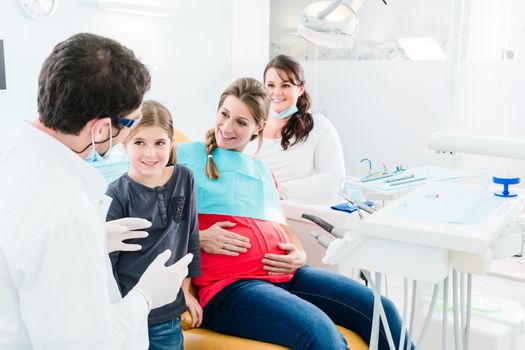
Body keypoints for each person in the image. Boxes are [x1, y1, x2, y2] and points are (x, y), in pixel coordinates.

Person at [176, 77, 412, 350]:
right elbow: (156, 218)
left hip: (289, 275)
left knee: (381, 309)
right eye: (224, 115)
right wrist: (200, 237)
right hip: (230, 287)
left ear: (258, 127)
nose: (227, 127)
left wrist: (299, 254)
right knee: (319, 331)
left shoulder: (262, 172)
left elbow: (282, 227)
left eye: (241, 122)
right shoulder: (186, 157)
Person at [0, 33, 192, 350]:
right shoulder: (64, 209)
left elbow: (22, 251)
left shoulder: (10, 152)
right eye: (131, 125)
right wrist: (145, 298)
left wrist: (92, 239)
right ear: (101, 128)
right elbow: (85, 343)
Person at [106, 100, 201, 350]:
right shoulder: (117, 193)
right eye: (139, 143)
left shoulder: (185, 178)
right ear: (125, 143)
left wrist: (185, 292)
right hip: (131, 312)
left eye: (159, 143)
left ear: (171, 143)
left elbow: (190, 237)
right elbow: (109, 263)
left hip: (168, 316)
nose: (150, 153)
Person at [244, 54, 345, 204]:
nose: (276, 93)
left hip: (295, 215)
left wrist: (279, 192)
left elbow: (336, 179)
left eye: (285, 85)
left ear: (301, 89)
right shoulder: (251, 125)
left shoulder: (318, 126)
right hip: (252, 212)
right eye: (270, 85)